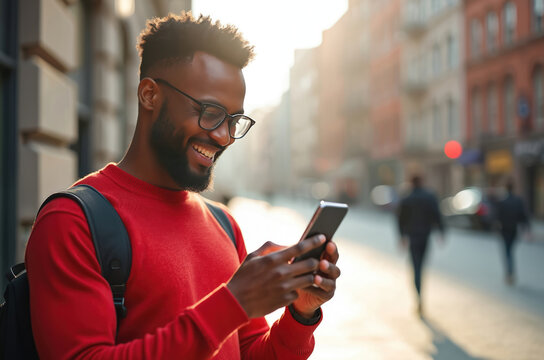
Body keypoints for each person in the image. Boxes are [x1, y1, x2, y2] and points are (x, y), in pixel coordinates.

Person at [25, 13, 341, 359]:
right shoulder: (72, 221)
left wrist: (301, 313)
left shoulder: (224, 224)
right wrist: (234, 302)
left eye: (234, 120)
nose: (223, 136)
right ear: (149, 95)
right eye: (210, 111)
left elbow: (248, 351)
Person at [396, 175, 444, 316]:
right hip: (425, 236)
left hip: (412, 237)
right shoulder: (429, 197)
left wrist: (402, 237)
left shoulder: (406, 198)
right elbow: (437, 214)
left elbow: (400, 220)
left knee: (416, 267)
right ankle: (420, 296)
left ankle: (418, 297)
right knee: (421, 266)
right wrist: (441, 231)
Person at [494, 180, 530, 285]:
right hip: (514, 230)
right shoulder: (518, 201)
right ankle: (510, 273)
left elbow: (497, 218)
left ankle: (509, 273)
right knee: (510, 251)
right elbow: (523, 216)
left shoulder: (502, 202)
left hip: (505, 231)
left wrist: (497, 229)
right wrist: (527, 229)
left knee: (507, 252)